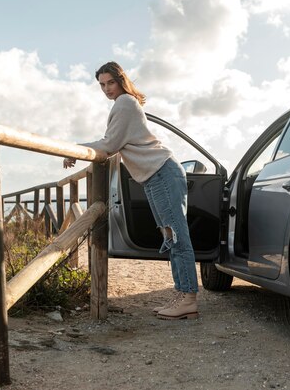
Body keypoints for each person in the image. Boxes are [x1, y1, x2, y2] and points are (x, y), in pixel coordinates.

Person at [63, 61, 198, 320]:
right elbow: (113, 144)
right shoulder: (124, 104)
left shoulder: (124, 103)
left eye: (110, 82)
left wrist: (74, 149)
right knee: (170, 235)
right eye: (101, 84)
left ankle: (188, 297)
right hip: (156, 174)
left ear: (121, 81)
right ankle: (183, 295)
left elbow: (110, 144)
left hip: (161, 171)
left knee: (177, 235)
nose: (106, 89)